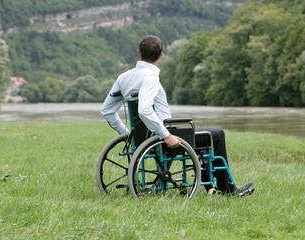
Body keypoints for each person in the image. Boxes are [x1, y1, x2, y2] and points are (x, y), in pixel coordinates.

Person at [101, 35, 253, 195]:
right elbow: (144, 110)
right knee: (216, 135)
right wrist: (166, 135)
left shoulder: (124, 78)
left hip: (145, 139)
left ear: (139, 53)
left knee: (202, 139)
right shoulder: (150, 77)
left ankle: (210, 188)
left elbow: (107, 110)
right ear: (161, 56)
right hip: (162, 137)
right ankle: (227, 189)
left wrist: (128, 135)